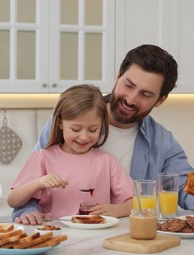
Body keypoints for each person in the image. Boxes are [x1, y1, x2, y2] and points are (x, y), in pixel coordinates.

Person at [13, 44, 194, 225]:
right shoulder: (66, 124)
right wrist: (29, 211)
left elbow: (187, 188)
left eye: (145, 94)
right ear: (117, 77)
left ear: (160, 100)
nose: (130, 99)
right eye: (128, 85)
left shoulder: (162, 142)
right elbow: (31, 186)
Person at [7, 85, 134, 219]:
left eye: (93, 130)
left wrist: (117, 210)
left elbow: (136, 202)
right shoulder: (43, 158)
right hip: (55, 235)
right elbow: (13, 200)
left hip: (97, 237)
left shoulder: (108, 161)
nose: (84, 136)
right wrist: (39, 182)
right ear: (60, 123)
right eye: (75, 129)